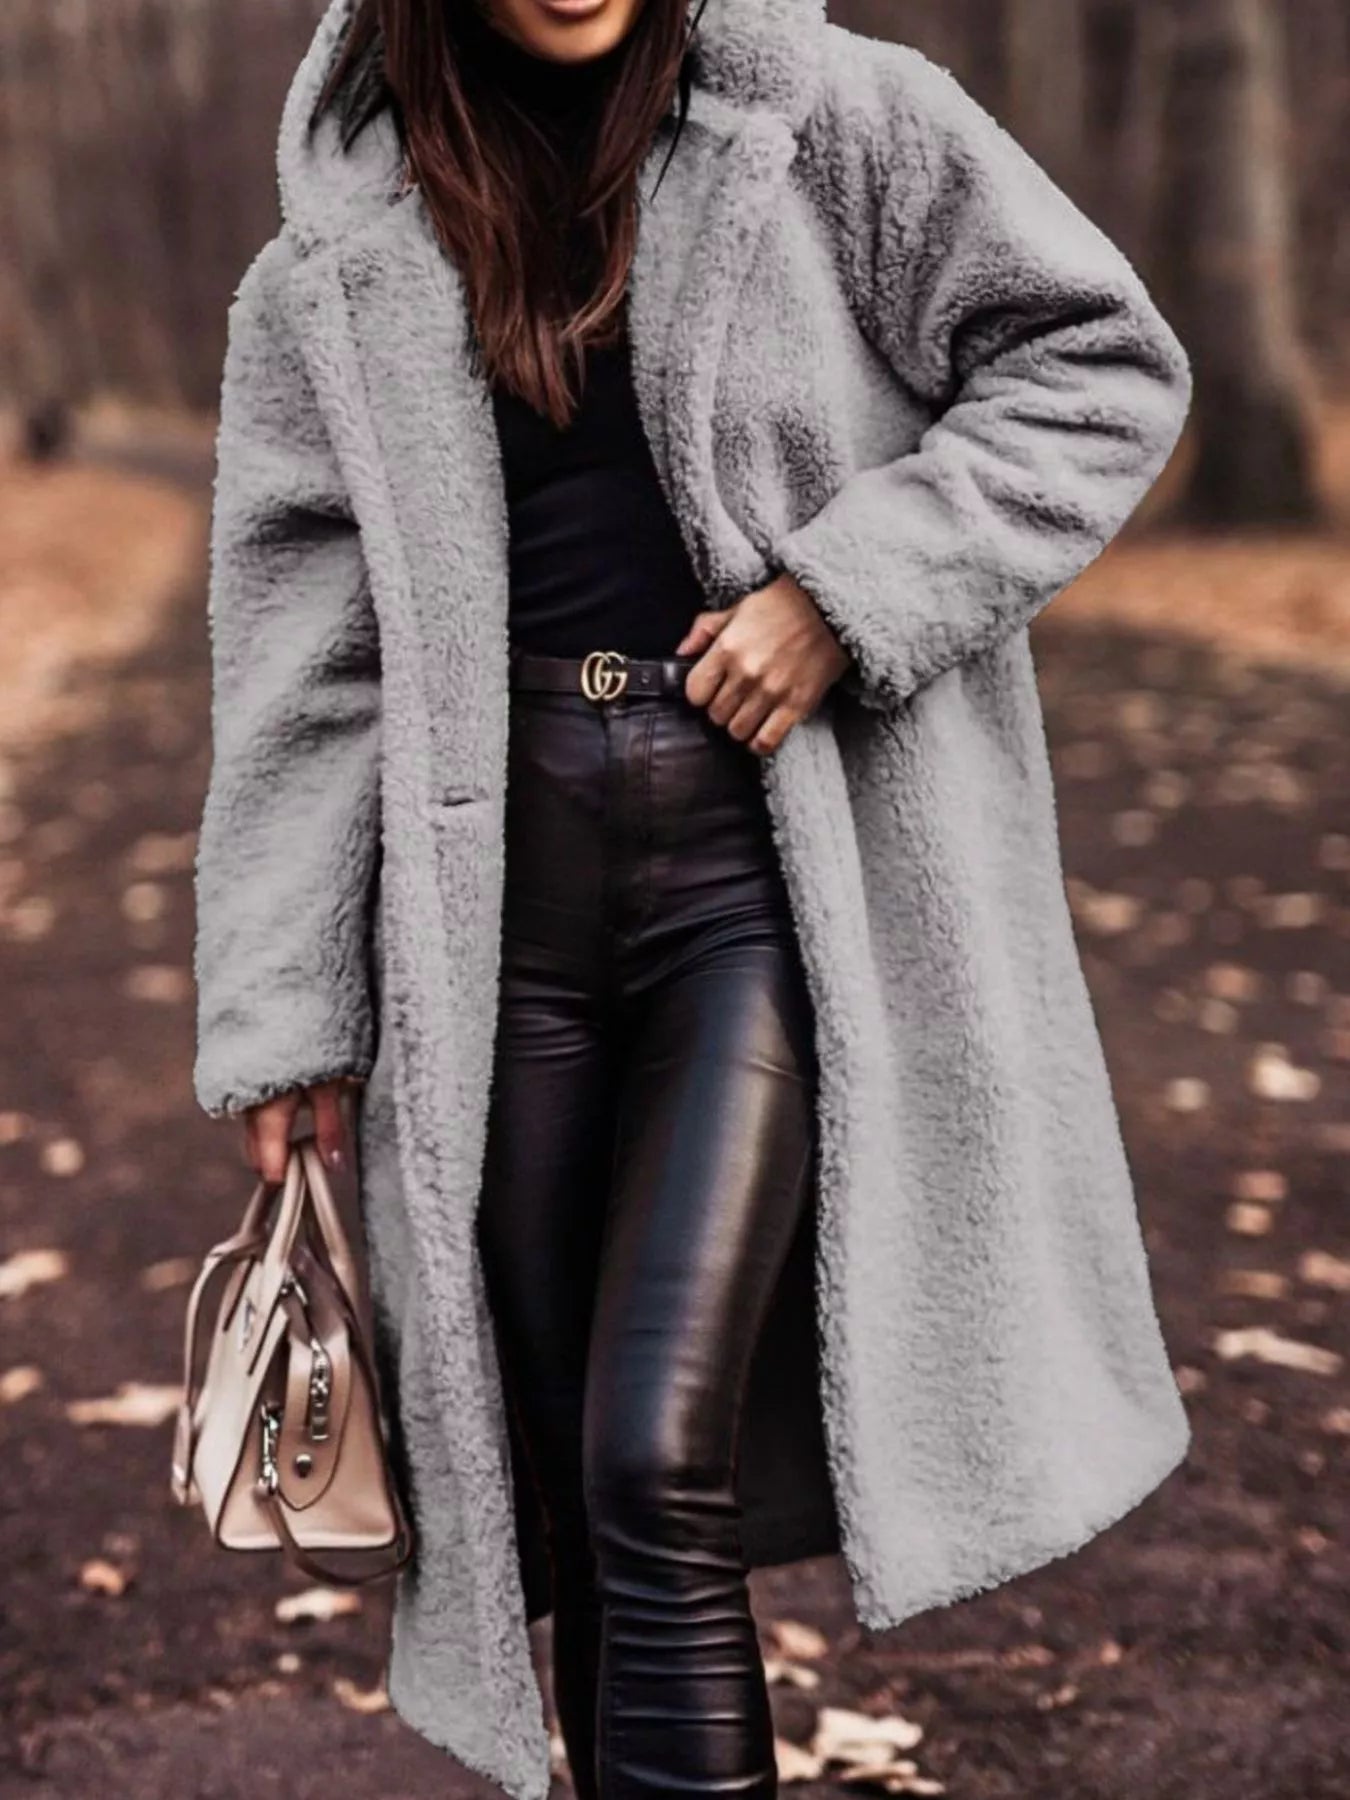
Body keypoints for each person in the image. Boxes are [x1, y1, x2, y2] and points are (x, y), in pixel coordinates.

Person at [193, 1, 1194, 1796]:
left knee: (655, 1452)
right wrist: (282, 1004)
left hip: (761, 877)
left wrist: (849, 591)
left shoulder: (838, 121)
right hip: (489, 916)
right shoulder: (328, 261)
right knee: (577, 1498)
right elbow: (302, 659)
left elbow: (1100, 361)